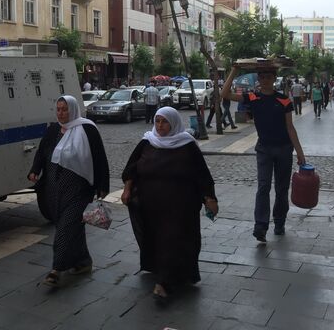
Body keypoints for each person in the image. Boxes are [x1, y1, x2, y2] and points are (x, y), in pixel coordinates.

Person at [121, 107, 217, 302]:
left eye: (164, 122)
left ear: (173, 122)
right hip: (151, 204)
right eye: (157, 121)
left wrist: (209, 198)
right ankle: (167, 272)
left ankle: (164, 283)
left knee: (172, 239)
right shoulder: (148, 141)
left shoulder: (187, 145)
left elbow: (202, 174)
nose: (160, 126)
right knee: (158, 240)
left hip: (180, 205)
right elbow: (131, 168)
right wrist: (127, 189)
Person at [28, 95, 109, 287]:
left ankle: (57, 270)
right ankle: (83, 261)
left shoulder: (87, 129)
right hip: (54, 190)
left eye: (65, 109)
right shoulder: (53, 129)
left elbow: (99, 157)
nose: (61, 113)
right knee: (73, 226)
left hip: (79, 190)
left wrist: (103, 186)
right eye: (58, 109)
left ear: (72, 109)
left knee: (65, 228)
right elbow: (42, 152)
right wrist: (34, 170)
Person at [222, 66, 305, 242]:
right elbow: (225, 94)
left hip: (284, 149)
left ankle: (280, 222)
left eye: (268, 76)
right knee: (263, 187)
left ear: (274, 78)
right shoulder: (254, 97)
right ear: (258, 79)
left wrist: (300, 153)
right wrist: (234, 70)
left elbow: (290, 128)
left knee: (282, 189)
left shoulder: (284, 100)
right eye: (261, 76)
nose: (264, 79)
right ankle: (260, 227)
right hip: (264, 150)